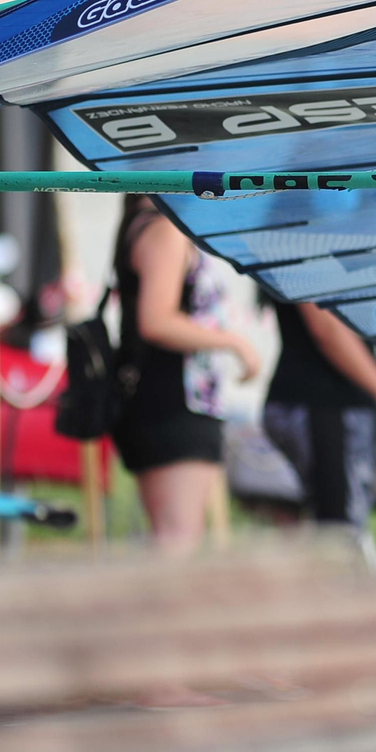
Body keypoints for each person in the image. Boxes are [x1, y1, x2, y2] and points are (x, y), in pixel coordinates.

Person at [111, 194, 259, 556]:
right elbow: (156, 320)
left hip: (177, 399)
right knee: (177, 543)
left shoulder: (152, 221)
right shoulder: (163, 227)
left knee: (174, 540)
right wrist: (235, 344)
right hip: (174, 403)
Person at [258, 301, 376, 529]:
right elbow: (327, 327)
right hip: (323, 403)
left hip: (325, 403)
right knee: (338, 531)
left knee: (329, 525)